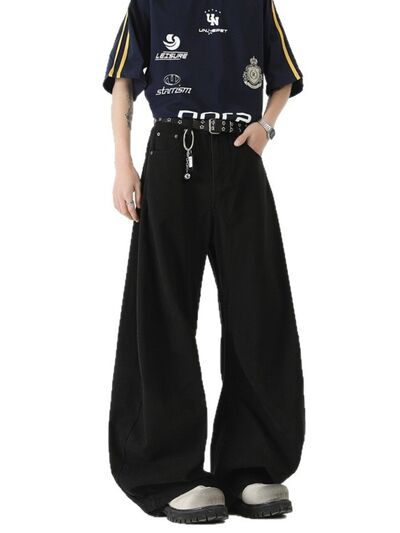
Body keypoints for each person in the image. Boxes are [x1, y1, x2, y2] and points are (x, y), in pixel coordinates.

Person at [102, 0, 305, 523]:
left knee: (258, 308)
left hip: (241, 156)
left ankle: (251, 467)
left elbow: (284, 76)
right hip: (174, 153)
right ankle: (168, 470)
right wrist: (124, 164)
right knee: (163, 311)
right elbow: (123, 78)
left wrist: (267, 127)